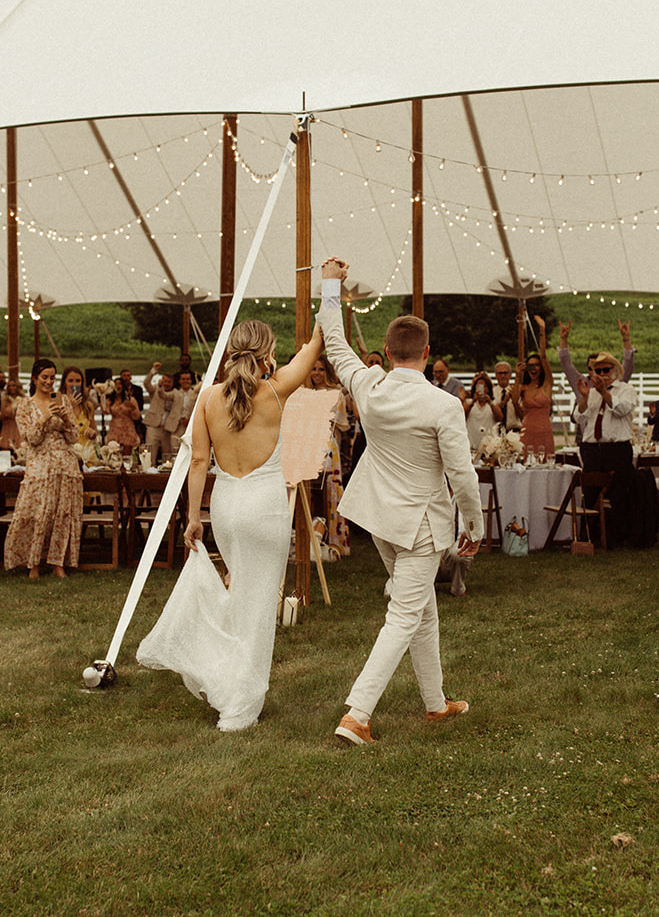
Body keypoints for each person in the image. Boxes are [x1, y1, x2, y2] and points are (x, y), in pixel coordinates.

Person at [319, 256, 482, 747]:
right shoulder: (443, 403)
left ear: (387, 351)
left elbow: (334, 340)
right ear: (427, 352)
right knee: (404, 616)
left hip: (379, 520)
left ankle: (436, 703)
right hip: (420, 528)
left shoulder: (368, 385)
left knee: (422, 609)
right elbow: (462, 475)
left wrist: (330, 283)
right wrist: (473, 526)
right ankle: (357, 714)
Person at [136, 317, 324, 732]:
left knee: (240, 594)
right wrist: (331, 284)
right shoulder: (277, 389)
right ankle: (240, 705)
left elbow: (199, 461)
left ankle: (225, 675)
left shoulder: (207, 398)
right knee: (257, 608)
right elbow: (317, 340)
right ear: (266, 353)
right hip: (265, 507)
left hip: (225, 507)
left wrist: (193, 518)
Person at [3, 359, 83, 579]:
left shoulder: (64, 401)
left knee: (62, 513)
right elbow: (32, 439)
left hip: (65, 463)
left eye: (52, 377)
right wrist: (47, 417)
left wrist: (66, 418)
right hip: (40, 462)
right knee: (38, 512)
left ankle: (59, 563)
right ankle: (33, 563)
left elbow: (74, 437)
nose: (49, 382)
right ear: (35, 378)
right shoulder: (25, 406)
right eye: (44, 377)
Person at [571, 350, 638, 544]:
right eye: (597, 371)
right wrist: (584, 398)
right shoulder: (591, 393)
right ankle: (588, 535)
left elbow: (621, 410)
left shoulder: (626, 389)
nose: (601, 375)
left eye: (605, 370)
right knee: (590, 492)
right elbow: (578, 417)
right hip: (593, 448)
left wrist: (604, 393)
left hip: (616, 449)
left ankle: (617, 537)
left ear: (615, 371)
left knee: (618, 493)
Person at [305, 356, 351, 557]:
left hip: (328, 444)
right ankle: (311, 536)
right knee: (310, 490)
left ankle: (335, 540)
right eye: (313, 369)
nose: (316, 373)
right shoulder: (306, 394)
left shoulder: (336, 394)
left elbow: (340, 427)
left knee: (331, 489)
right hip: (308, 443)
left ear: (327, 371)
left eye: (321, 369)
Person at [510, 315, 555, 461]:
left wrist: (542, 331)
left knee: (546, 462)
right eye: (530, 365)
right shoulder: (523, 387)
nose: (533, 368)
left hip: (544, 431)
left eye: (536, 365)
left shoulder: (547, 384)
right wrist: (517, 375)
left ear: (541, 368)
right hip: (527, 430)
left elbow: (543, 356)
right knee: (525, 462)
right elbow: (515, 399)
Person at [463, 371, 504, 450]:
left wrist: (490, 402)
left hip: (489, 445)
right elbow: (463, 416)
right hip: (472, 442)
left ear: (488, 389)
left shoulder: (493, 403)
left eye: (484, 386)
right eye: (478, 386)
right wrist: (473, 402)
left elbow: (500, 418)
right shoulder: (468, 402)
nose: (481, 389)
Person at [105, 373, 142, 450]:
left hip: (127, 428)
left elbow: (137, 416)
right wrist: (102, 397)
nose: (118, 386)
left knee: (126, 453)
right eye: (116, 384)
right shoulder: (110, 400)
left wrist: (132, 407)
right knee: (115, 454)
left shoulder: (131, 399)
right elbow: (105, 411)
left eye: (120, 384)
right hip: (115, 428)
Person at [0, 377, 24, 451]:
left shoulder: (23, 399)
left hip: (18, 429)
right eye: (9, 386)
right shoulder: (5, 399)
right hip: (7, 428)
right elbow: (3, 414)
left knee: (19, 452)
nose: (11, 387)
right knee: (5, 453)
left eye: (13, 385)